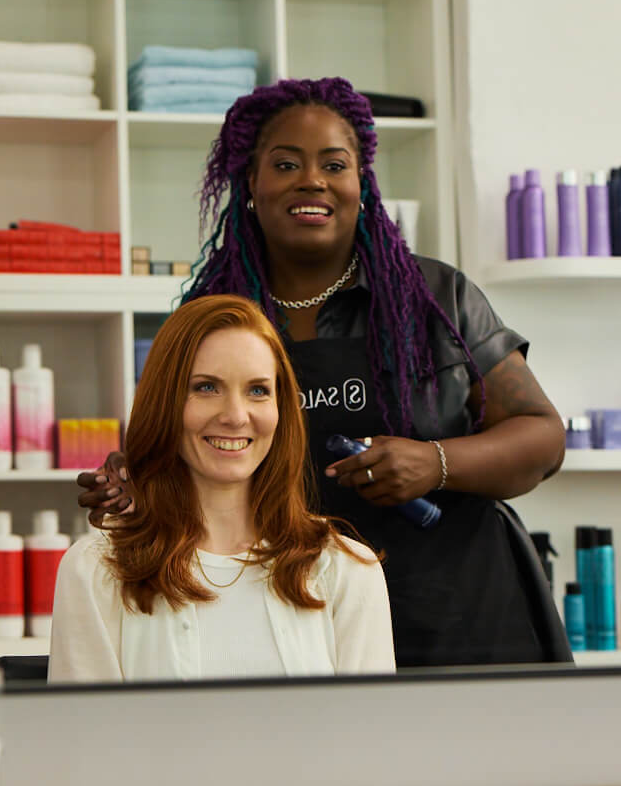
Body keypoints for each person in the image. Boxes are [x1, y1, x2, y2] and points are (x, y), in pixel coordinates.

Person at [79, 77, 570, 667]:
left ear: (361, 185)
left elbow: (542, 438)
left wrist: (434, 463)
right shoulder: (212, 320)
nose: (311, 179)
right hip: (292, 611)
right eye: (286, 163)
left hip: (461, 609)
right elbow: (173, 450)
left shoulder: (437, 298)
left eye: (334, 164)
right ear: (250, 184)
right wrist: (137, 483)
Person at [51, 295, 395, 682]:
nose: (235, 415)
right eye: (206, 387)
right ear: (163, 402)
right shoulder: (97, 570)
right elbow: (87, 741)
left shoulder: (346, 570)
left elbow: (368, 739)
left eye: (258, 390)